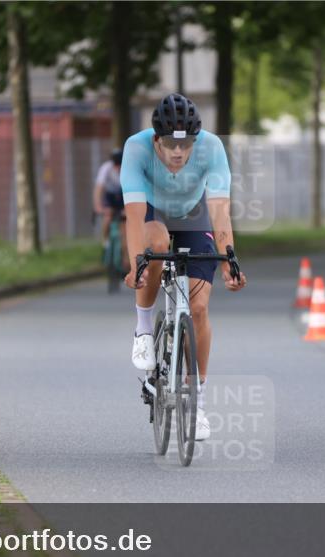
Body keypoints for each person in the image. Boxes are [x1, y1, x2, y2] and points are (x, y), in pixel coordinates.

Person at [121, 93, 247, 441]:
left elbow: (220, 209)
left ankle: (198, 403)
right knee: (157, 244)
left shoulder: (212, 148)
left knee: (200, 307)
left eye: (187, 144)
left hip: (194, 216)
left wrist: (229, 259)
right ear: (156, 140)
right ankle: (144, 327)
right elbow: (133, 216)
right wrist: (137, 265)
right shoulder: (136, 148)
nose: (179, 153)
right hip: (152, 214)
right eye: (171, 145)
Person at [97, 150, 126, 292]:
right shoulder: (106, 169)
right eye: (115, 165)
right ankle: (105, 240)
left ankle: (124, 255)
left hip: (123, 195)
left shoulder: (127, 169)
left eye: (119, 165)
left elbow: (131, 190)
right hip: (109, 196)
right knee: (108, 217)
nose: (117, 168)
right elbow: (98, 189)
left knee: (125, 225)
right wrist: (98, 208)